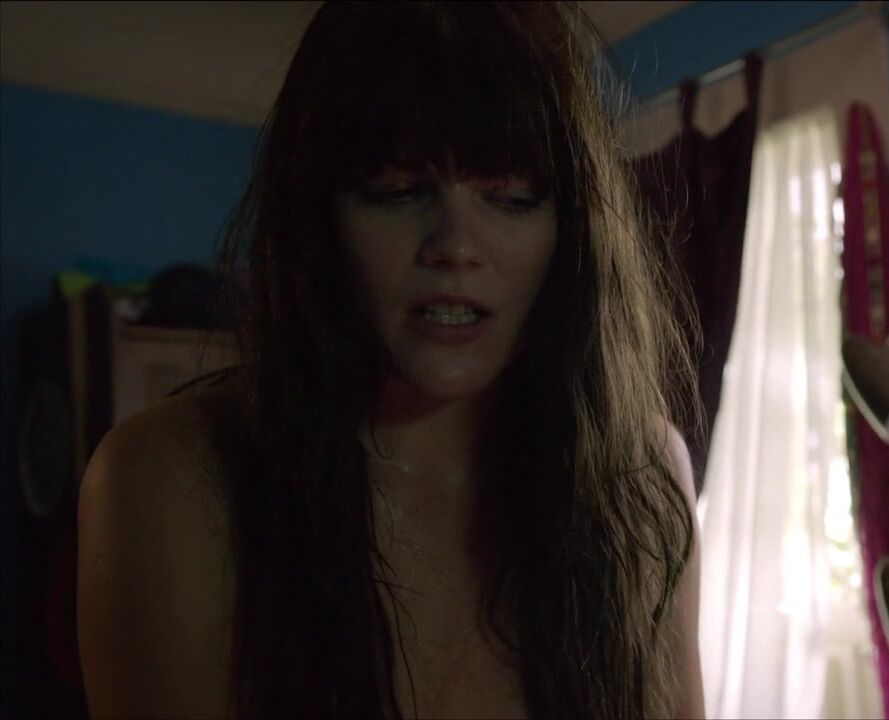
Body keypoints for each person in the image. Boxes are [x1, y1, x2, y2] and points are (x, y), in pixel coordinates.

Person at [75, 2, 705, 718]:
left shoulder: (640, 473)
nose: (456, 247)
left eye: (511, 197)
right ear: (317, 214)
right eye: (398, 191)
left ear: (571, 230)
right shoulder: (172, 477)